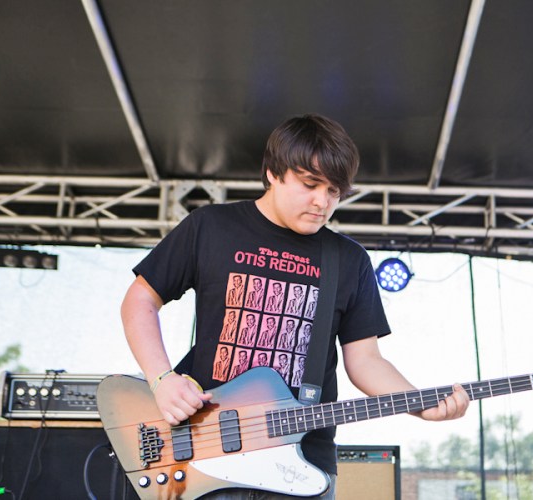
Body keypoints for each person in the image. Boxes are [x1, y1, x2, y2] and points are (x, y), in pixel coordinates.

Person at [120, 113, 469, 499]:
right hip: (204, 453)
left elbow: (366, 361)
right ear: (273, 172)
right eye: (310, 184)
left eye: (334, 191)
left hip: (301, 462)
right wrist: (161, 379)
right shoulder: (211, 226)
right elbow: (140, 299)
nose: (322, 202)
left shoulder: (348, 259)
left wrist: (419, 404)